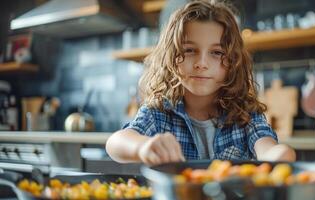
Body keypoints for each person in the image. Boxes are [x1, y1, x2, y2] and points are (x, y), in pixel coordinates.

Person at [106, 0, 296, 165]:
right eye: (189, 50)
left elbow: (268, 150)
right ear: (171, 57)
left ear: (233, 62)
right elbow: (115, 143)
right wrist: (142, 147)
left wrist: (280, 155)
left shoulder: (245, 115)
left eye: (217, 53)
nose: (201, 64)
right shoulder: (160, 113)